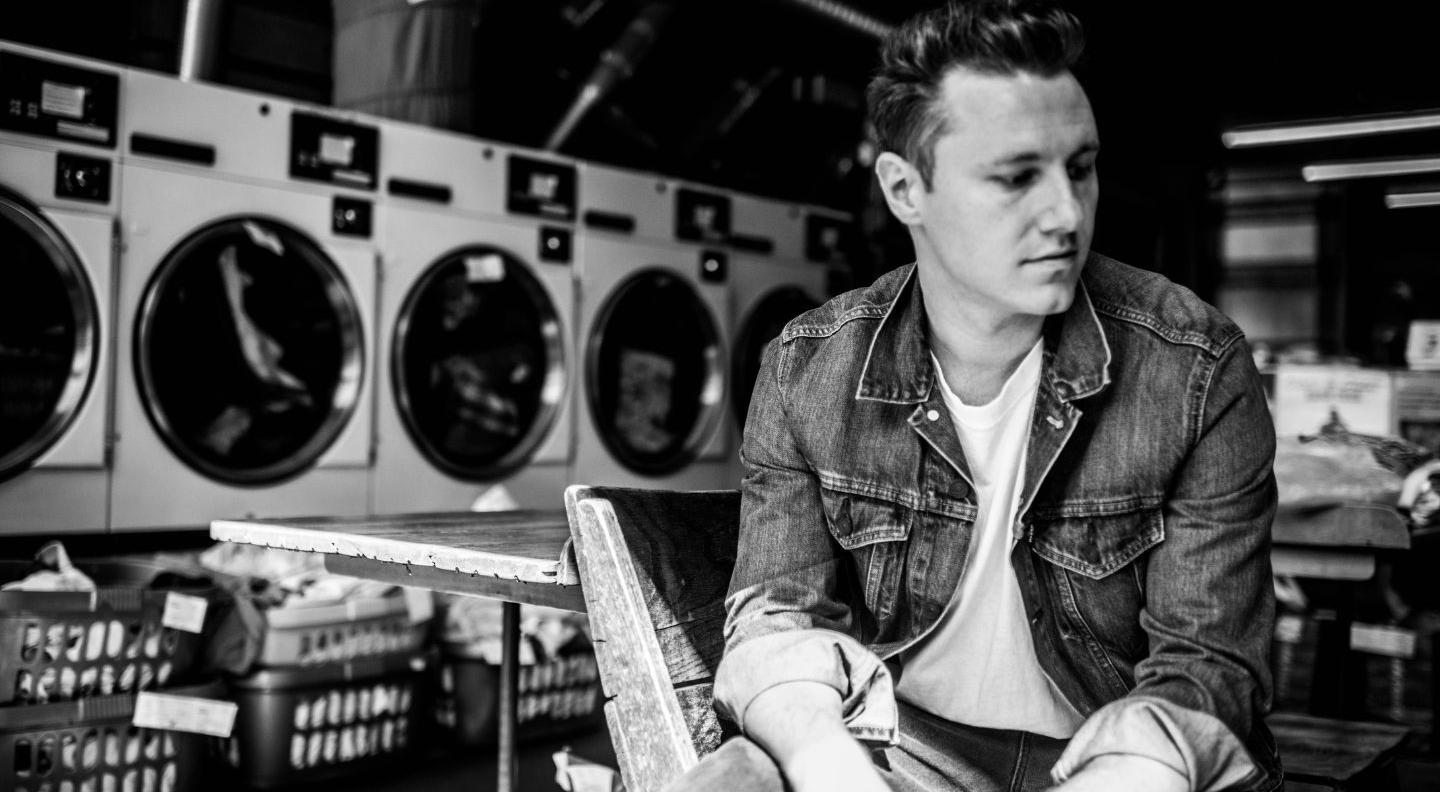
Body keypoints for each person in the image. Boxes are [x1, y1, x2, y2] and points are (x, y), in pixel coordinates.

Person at [703, 2, 1282, 791]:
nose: (1066, 213)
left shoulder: (1194, 368)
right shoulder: (809, 370)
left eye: (1080, 167)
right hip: (902, 745)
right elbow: (777, 618)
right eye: (1016, 177)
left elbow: (1209, 671)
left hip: (1115, 755)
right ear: (906, 190)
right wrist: (825, 761)